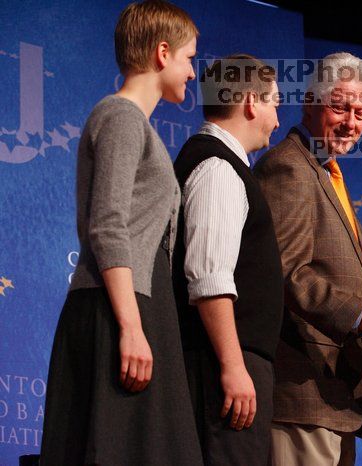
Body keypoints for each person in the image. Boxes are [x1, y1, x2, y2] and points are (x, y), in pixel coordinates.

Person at [39, 2, 203, 465]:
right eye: (190, 58)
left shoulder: (133, 122)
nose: (193, 73)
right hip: (119, 308)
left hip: (139, 303)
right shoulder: (122, 116)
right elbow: (107, 223)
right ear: (162, 52)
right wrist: (131, 327)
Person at [254, 52, 362, 466]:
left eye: (361, 113)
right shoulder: (289, 168)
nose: (351, 122)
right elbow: (288, 273)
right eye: (340, 107)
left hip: (333, 396)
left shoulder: (326, 171)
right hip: (301, 390)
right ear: (310, 100)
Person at [171, 54, 283, 466]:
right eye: (274, 102)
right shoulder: (218, 167)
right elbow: (209, 279)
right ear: (251, 102)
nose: (276, 117)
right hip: (219, 368)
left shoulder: (224, 165)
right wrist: (234, 367)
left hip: (227, 363)